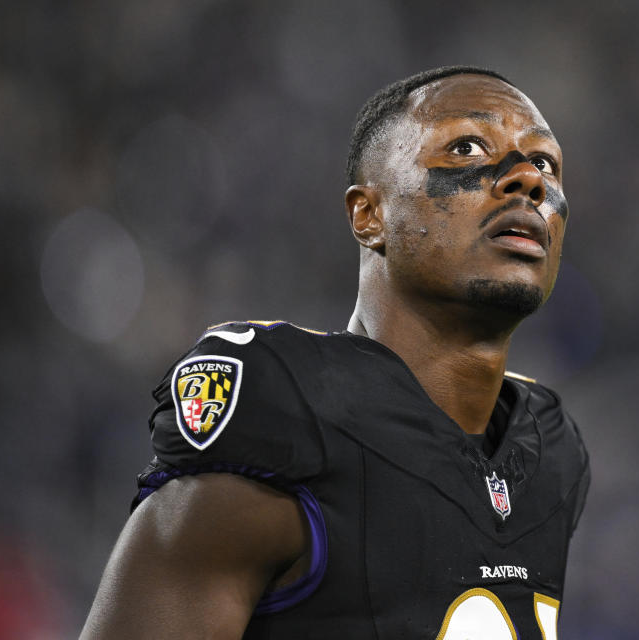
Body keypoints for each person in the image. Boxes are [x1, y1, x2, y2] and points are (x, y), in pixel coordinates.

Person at [81, 65, 590, 639]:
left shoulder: (549, 451)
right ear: (368, 216)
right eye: (468, 147)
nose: (527, 180)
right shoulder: (293, 414)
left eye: (544, 162)